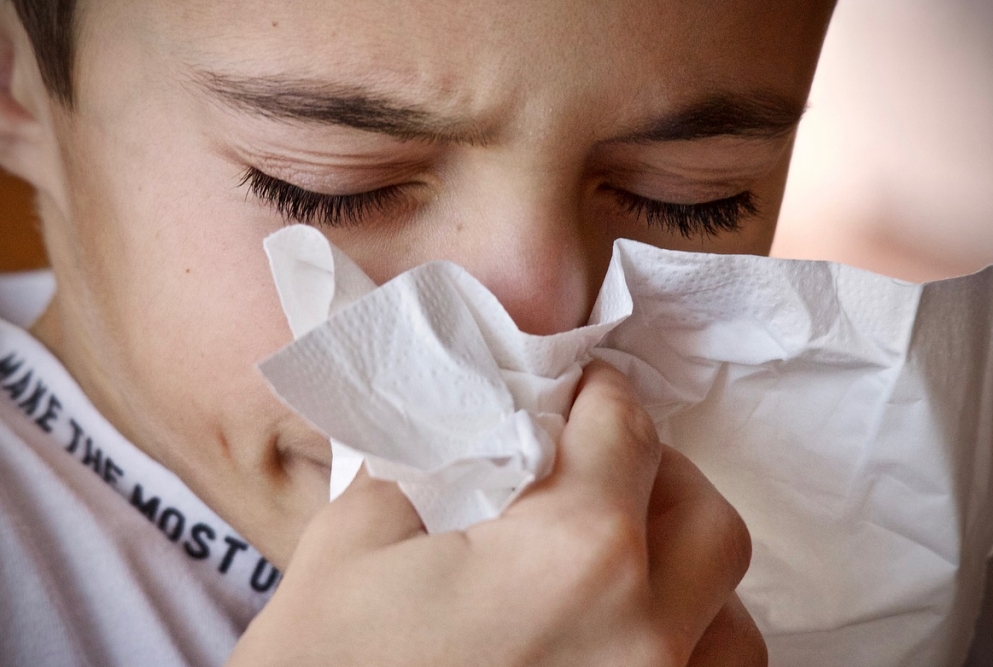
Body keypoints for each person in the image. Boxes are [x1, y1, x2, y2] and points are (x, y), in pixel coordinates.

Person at [0, 0, 836, 664]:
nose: (541, 330)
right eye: (331, 191)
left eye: (687, 198)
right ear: (15, 77)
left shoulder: (856, 524)